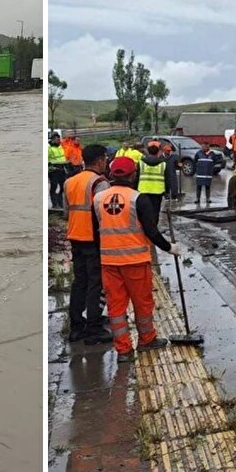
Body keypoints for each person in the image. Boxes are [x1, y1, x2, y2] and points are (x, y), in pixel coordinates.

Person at [93, 156, 182, 363]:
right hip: (135, 262)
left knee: (116, 308)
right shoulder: (138, 199)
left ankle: (123, 351)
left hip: (109, 263)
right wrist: (170, 248)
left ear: (111, 174)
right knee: (142, 304)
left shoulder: (98, 199)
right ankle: (146, 340)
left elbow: (96, 231)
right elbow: (151, 231)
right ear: (134, 175)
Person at [64, 145, 112, 345]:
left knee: (79, 282)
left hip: (75, 237)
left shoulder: (70, 182)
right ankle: (94, 329)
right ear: (100, 160)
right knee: (96, 284)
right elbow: (106, 216)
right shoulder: (100, 183)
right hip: (94, 240)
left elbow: (67, 213)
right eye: (105, 159)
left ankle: (76, 327)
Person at [137, 140, 169, 225]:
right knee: (155, 212)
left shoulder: (141, 163)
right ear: (158, 151)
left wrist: (134, 189)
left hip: (143, 191)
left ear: (147, 151)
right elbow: (167, 179)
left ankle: (144, 229)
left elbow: (136, 177)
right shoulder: (163, 164)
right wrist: (167, 193)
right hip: (157, 192)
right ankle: (154, 229)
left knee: (143, 211)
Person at [48, 132, 68, 208]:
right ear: (53, 139)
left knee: (63, 186)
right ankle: (55, 204)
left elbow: (62, 157)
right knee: (54, 186)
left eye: (59, 139)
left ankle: (60, 203)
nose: (59, 140)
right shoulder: (48, 147)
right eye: (57, 139)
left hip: (61, 168)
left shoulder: (60, 146)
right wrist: (50, 167)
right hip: (53, 169)